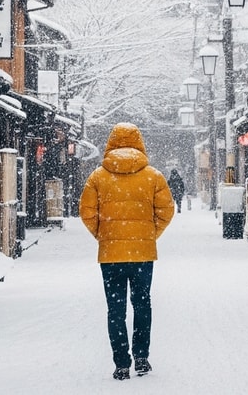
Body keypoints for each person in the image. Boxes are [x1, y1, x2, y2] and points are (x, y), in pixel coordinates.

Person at [78, 123, 174, 380]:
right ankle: (141, 357)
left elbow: (86, 212)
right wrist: (150, 234)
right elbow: (166, 211)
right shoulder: (153, 176)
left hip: (111, 255)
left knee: (116, 308)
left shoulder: (98, 176)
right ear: (139, 143)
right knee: (142, 304)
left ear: (111, 143)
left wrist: (103, 234)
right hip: (142, 254)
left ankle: (121, 363)